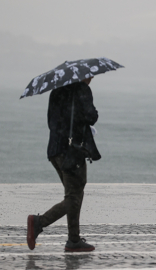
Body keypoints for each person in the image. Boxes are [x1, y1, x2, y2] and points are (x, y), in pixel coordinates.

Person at [27, 77, 101, 251]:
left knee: (74, 193)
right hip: (72, 152)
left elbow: (51, 121)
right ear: (82, 76)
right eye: (90, 75)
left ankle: (74, 240)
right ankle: (39, 222)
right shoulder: (82, 89)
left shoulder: (57, 90)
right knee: (74, 197)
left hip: (54, 150)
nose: (91, 79)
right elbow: (91, 116)